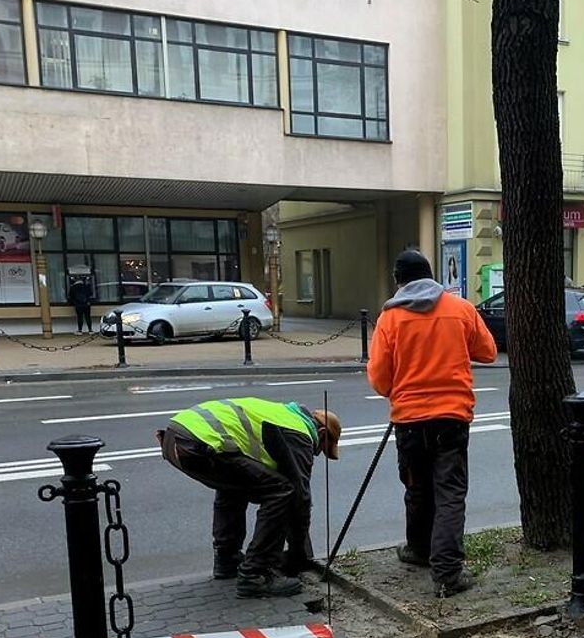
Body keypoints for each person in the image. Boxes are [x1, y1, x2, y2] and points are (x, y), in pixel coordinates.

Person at [367, 249, 497, 597]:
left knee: (417, 487)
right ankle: (448, 574)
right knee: (450, 493)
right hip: (452, 418)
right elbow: (487, 352)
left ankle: (419, 550)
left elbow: (379, 380)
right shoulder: (460, 309)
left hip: (409, 421)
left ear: (399, 282)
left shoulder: (389, 319)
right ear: (431, 276)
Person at [156, 398, 341, 598]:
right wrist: (298, 555)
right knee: (281, 491)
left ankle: (227, 560)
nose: (315, 453)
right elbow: (299, 499)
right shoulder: (299, 433)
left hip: (176, 437)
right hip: (198, 442)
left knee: (234, 485)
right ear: (322, 433)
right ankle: (255, 575)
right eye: (320, 449)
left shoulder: (282, 415)